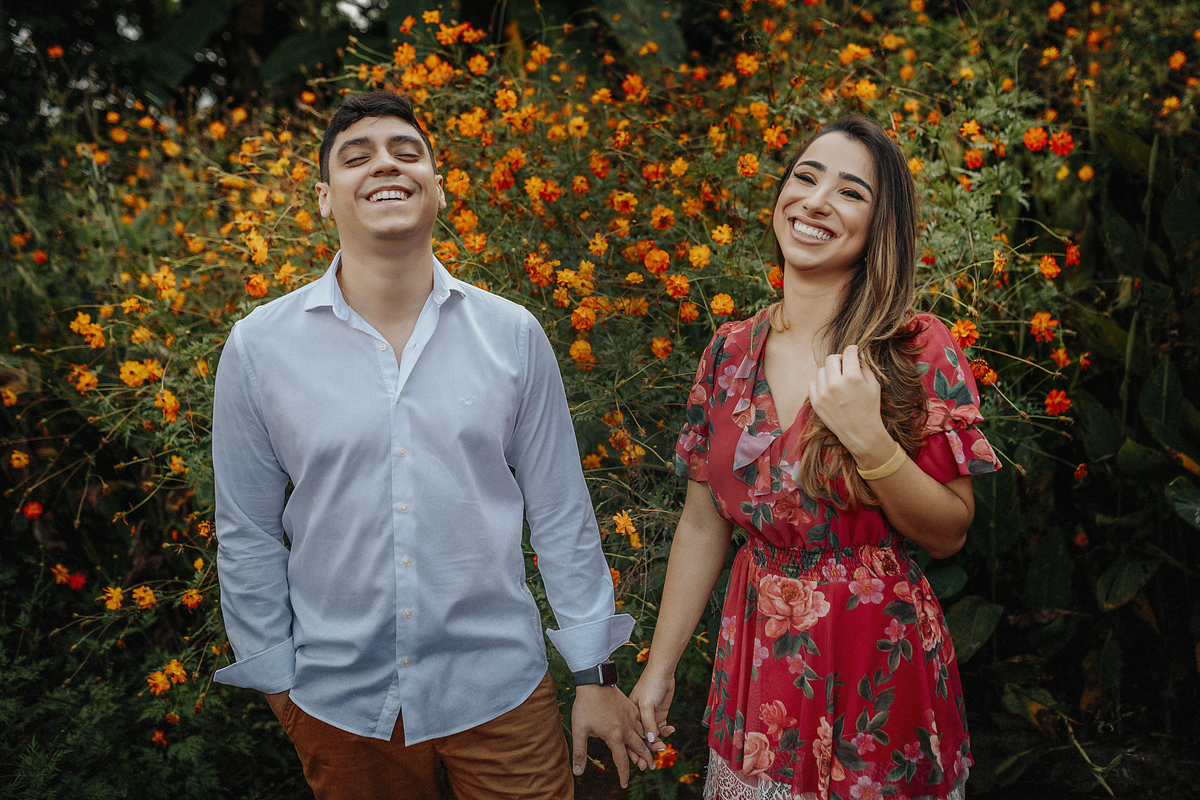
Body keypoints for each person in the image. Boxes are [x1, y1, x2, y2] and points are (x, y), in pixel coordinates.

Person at [211, 90, 654, 800]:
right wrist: (275, 680)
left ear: (437, 188)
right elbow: (246, 528)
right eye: (357, 157)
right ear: (326, 198)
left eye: (405, 152)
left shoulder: (511, 336)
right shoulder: (259, 348)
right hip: (338, 703)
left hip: (502, 692)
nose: (385, 164)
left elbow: (562, 513)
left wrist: (593, 676)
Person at [630, 114, 1002, 799]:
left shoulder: (914, 349)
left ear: (878, 227)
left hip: (877, 666)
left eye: (850, 191)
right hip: (760, 662)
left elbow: (950, 530)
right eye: (806, 176)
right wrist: (660, 667)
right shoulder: (728, 352)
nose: (817, 200)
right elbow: (703, 525)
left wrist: (869, 438)